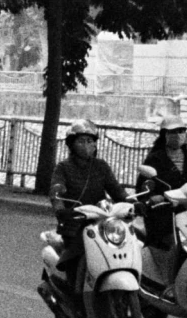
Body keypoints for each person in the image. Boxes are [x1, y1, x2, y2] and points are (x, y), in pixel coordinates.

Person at [50, 121, 129, 282]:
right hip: (75, 221)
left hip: (101, 219)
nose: (86, 145)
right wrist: (61, 210)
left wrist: (131, 204)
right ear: (71, 144)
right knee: (75, 255)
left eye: (90, 141)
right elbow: (56, 192)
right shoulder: (63, 167)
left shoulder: (101, 166)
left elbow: (116, 190)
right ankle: (74, 294)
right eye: (81, 141)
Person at [136, 115, 187, 263]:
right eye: (173, 132)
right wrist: (153, 197)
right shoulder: (155, 159)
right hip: (165, 214)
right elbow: (144, 186)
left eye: (181, 131)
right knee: (174, 246)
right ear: (164, 135)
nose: (178, 135)